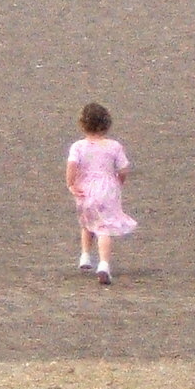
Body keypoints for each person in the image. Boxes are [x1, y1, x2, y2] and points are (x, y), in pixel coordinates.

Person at [65, 102, 136, 284]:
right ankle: (104, 264)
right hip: (106, 189)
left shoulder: (78, 146)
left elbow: (72, 166)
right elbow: (123, 169)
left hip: (85, 189)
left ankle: (85, 256)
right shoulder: (114, 146)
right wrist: (118, 181)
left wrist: (71, 184)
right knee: (104, 228)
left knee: (87, 222)